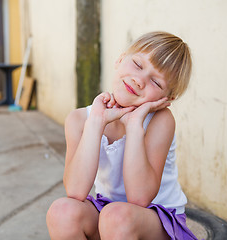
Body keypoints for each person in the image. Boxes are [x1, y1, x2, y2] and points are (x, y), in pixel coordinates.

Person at [46, 31, 198, 240]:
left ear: (166, 98)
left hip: (156, 219)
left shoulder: (160, 121)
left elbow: (139, 198)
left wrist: (135, 125)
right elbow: (75, 191)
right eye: (137, 64)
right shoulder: (79, 119)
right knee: (62, 211)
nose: (139, 80)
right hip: (107, 211)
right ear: (120, 59)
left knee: (116, 217)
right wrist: (96, 123)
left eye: (156, 82)